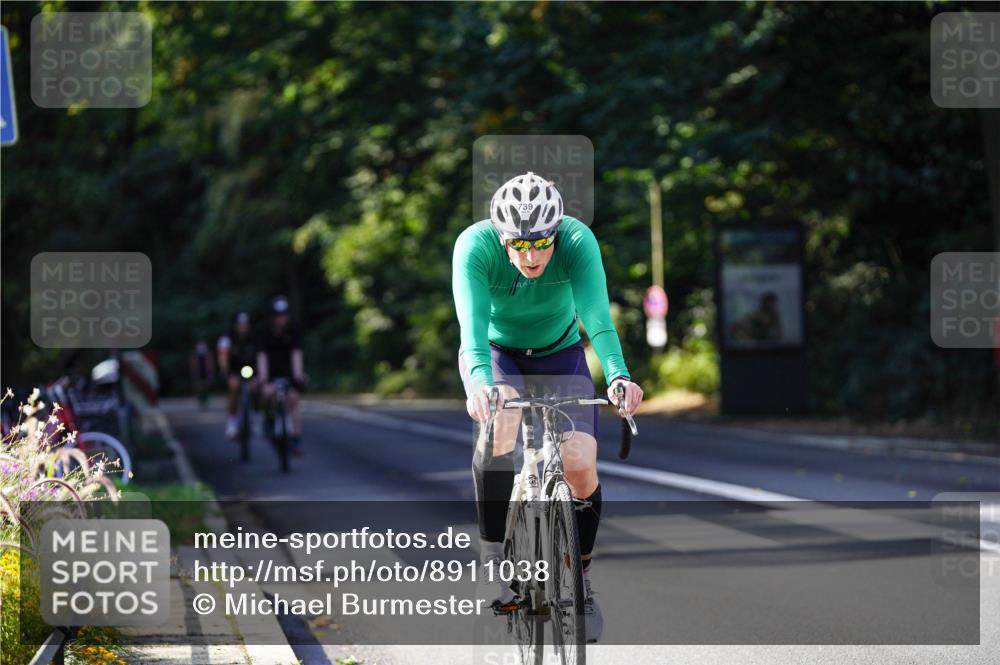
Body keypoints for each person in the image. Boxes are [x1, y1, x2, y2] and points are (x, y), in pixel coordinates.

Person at [452, 171, 643, 643]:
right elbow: (472, 332)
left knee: (580, 463)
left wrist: (618, 375)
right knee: (501, 429)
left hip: (560, 353)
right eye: (519, 244)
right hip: (498, 356)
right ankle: (494, 558)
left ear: (556, 231)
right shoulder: (474, 247)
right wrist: (479, 385)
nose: (531, 255)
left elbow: (598, 319)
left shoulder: (578, 241)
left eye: (541, 242)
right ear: (502, 236)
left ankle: (580, 583)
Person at [257, 295, 305, 455]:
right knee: (266, 394)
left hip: (288, 370)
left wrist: (298, 375)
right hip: (270, 370)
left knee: (293, 399)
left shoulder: (294, 328)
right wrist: (263, 379)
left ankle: (296, 438)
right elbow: (262, 356)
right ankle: (268, 420)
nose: (281, 318)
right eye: (278, 315)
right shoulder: (264, 330)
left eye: (284, 314)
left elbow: (296, 353)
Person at [219, 312, 258, 438]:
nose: (243, 327)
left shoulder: (254, 337)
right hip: (234, 369)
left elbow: (261, 354)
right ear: (235, 325)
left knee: (256, 388)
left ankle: (255, 418)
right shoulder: (227, 338)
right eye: (240, 324)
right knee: (234, 387)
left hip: (252, 368)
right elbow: (223, 356)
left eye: (245, 324)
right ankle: (232, 423)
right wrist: (225, 369)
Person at [189, 340, 216, 409]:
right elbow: (193, 365)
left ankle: (206, 401)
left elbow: (211, 365)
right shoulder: (195, 355)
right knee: (199, 388)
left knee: (206, 387)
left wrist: (210, 373)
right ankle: (200, 401)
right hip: (198, 373)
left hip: (206, 373)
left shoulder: (208, 355)